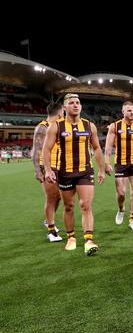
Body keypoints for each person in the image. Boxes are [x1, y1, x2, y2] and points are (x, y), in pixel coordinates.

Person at [42, 93, 106, 255]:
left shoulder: (89, 126)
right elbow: (46, 149)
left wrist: (101, 169)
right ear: (64, 107)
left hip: (85, 171)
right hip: (65, 172)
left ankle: (89, 239)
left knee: (85, 204)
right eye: (71, 103)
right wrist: (48, 170)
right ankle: (71, 237)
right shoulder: (56, 126)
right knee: (69, 206)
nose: (75, 105)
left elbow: (97, 148)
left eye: (77, 102)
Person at [104, 101, 133, 231]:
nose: (132, 113)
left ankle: (132, 219)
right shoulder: (115, 126)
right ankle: (121, 209)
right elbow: (108, 147)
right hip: (120, 164)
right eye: (129, 110)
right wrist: (107, 162)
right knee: (121, 192)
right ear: (123, 112)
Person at [32, 101, 64, 242]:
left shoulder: (60, 126)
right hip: (47, 167)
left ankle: (48, 220)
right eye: (63, 111)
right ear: (59, 112)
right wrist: (38, 171)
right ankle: (51, 231)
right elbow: (36, 151)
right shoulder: (42, 127)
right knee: (51, 198)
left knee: (58, 197)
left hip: (61, 167)